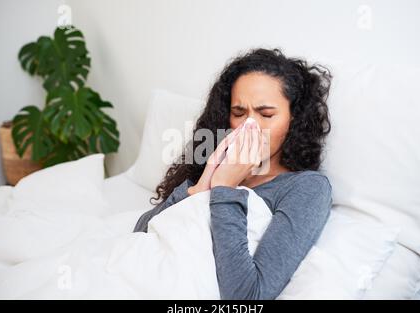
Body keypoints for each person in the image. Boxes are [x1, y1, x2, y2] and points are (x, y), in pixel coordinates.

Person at [133, 48, 333, 300]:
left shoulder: (306, 188)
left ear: (294, 119)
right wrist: (201, 187)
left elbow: (247, 297)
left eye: (266, 114)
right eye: (239, 113)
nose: (249, 125)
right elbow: (140, 236)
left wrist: (225, 190)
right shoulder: (215, 163)